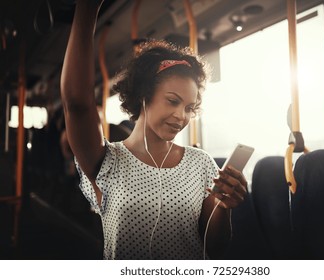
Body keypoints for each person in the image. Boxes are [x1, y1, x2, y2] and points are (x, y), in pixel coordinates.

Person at [60, 0, 248, 260]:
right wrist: (86, 9)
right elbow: (77, 104)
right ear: (144, 96)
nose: (181, 116)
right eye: (172, 101)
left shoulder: (201, 163)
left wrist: (224, 206)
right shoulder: (108, 161)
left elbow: (214, 247)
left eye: (189, 107)